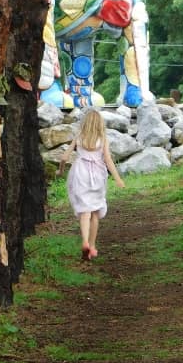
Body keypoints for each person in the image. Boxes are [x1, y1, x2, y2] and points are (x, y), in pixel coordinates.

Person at [64, 109, 125, 260]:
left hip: (80, 173)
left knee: (85, 212)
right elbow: (108, 160)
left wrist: (60, 171)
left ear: (85, 123)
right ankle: (92, 246)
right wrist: (118, 179)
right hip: (97, 175)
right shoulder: (102, 138)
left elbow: (65, 157)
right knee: (95, 213)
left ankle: (84, 241)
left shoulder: (79, 137)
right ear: (99, 124)